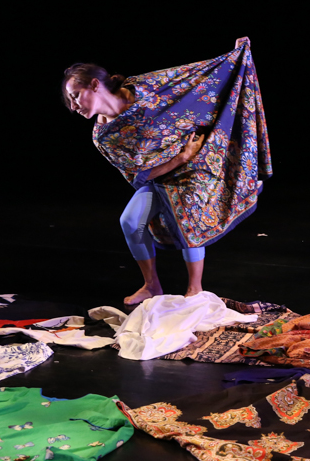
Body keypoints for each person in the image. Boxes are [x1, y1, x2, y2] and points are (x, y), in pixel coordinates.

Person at [62, 37, 271, 305]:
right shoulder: (104, 135)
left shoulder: (143, 88)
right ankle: (152, 286)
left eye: (75, 95)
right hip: (164, 173)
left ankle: (195, 289)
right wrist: (180, 156)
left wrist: (236, 55)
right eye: (70, 99)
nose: (73, 106)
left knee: (186, 209)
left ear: (95, 85)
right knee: (129, 221)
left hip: (196, 167)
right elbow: (138, 176)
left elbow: (192, 79)